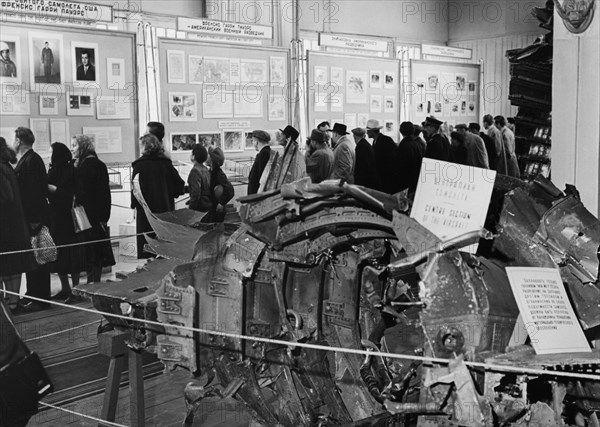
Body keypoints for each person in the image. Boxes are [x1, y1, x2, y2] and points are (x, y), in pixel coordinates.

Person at [13, 127, 51, 311]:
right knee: (34, 256)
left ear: (19, 140)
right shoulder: (29, 159)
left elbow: (34, 192)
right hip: (31, 216)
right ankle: (33, 293)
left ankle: (40, 297)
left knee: (38, 257)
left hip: (34, 217)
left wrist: (34, 218)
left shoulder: (31, 160)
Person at [131, 133, 185, 258]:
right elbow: (179, 186)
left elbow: (135, 189)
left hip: (146, 213)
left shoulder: (139, 165)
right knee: (164, 247)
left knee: (148, 244)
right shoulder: (165, 163)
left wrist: (134, 204)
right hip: (164, 209)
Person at [71, 135, 115, 283]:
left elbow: (86, 193)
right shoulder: (96, 164)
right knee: (94, 252)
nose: (73, 149)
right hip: (96, 214)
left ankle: (93, 283)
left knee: (92, 252)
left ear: (83, 147)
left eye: (75, 145)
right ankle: (94, 282)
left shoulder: (87, 166)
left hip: (90, 215)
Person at [0, 138, 36, 313]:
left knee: (10, 264)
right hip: (13, 224)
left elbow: (6, 197)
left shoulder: (1, 168)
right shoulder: (6, 165)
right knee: (11, 264)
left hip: (7, 225)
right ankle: (11, 300)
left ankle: (12, 301)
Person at [47, 142, 85, 303]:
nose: (49, 155)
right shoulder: (55, 169)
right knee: (60, 254)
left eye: (51, 152)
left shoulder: (71, 171)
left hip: (67, 218)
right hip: (57, 217)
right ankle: (65, 288)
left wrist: (53, 190)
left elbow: (72, 194)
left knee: (70, 254)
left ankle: (76, 289)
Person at [202, 146, 234, 223]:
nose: (206, 157)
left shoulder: (219, 174)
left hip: (216, 210)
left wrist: (221, 203)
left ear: (213, 159)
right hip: (211, 207)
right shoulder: (210, 172)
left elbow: (230, 190)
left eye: (208, 155)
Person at [366, 119, 396, 194]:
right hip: (381, 179)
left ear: (372, 131)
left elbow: (391, 161)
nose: (366, 132)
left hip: (386, 179)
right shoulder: (375, 141)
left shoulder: (386, 141)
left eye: (368, 130)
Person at [396, 121, 425, 195]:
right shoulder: (417, 143)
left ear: (401, 131)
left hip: (406, 180)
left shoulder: (403, 145)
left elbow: (401, 165)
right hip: (416, 178)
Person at [187, 144, 211, 212]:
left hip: (199, 208)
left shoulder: (195, 171)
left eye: (192, 153)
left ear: (194, 156)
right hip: (207, 205)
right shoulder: (206, 169)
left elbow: (196, 193)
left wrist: (191, 209)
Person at [247, 130, 272, 195]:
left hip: (257, 193)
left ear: (257, 142)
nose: (252, 143)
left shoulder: (264, 153)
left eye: (253, 141)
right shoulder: (265, 152)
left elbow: (261, 176)